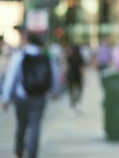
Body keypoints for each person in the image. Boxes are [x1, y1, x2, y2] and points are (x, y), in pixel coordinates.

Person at [1, 26, 60, 158]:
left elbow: (11, 77)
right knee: (35, 127)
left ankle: (19, 150)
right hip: (39, 97)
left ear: (26, 40)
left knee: (21, 125)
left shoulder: (19, 56)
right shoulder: (45, 55)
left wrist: (6, 97)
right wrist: (55, 91)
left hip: (21, 97)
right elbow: (54, 75)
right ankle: (32, 154)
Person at [65, 43, 85, 114]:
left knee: (71, 92)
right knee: (78, 90)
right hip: (77, 76)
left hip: (71, 76)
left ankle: (72, 104)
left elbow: (66, 67)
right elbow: (82, 68)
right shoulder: (80, 56)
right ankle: (77, 102)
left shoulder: (69, 57)